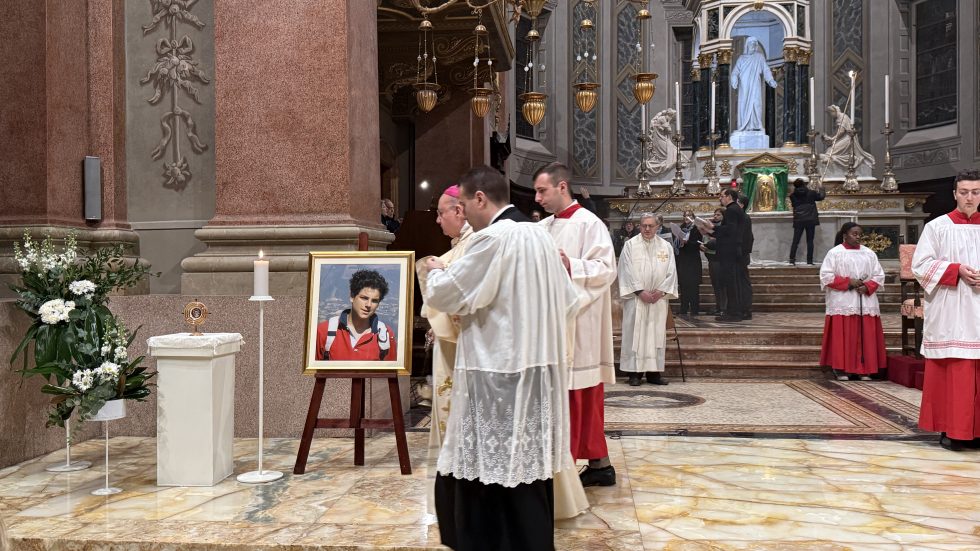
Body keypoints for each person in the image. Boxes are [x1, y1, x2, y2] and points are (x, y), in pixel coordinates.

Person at [423, 165, 581, 550]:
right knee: (526, 469)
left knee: (489, 466)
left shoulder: (492, 239)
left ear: (480, 199)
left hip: (496, 373)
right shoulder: (541, 236)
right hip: (537, 371)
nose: (463, 216)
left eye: (463, 206)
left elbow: (447, 294)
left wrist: (435, 270)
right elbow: (568, 301)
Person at [533, 162, 618, 487]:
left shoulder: (590, 224)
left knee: (580, 396)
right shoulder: (543, 227)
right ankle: (589, 464)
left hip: (580, 325)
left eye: (542, 191)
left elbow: (606, 268)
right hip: (551, 325)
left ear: (562, 187)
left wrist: (572, 265)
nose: (537, 198)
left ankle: (571, 470)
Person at [415, 185, 474, 513]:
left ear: (459, 211)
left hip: (462, 347)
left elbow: (461, 298)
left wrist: (436, 271)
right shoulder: (461, 245)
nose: (437, 220)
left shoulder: (474, 244)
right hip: (450, 343)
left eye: (441, 213)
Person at [912, 169, 980, 451]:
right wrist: (955, 270)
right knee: (954, 372)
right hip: (951, 308)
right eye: (964, 192)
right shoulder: (937, 227)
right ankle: (952, 430)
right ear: (954, 194)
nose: (969, 198)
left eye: (975, 192)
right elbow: (920, 266)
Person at [819, 222, 886, 381]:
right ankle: (841, 369)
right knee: (844, 337)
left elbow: (879, 275)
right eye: (854, 234)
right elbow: (826, 276)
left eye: (859, 234)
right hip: (843, 301)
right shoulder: (835, 253)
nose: (858, 237)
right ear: (845, 235)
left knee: (865, 337)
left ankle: (864, 369)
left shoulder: (869, 253)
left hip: (865, 300)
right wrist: (849, 282)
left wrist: (867, 286)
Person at [619, 213, 678, 386]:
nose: (646, 229)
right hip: (636, 299)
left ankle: (654, 374)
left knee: (655, 335)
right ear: (639, 225)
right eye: (644, 225)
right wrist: (639, 291)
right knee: (635, 336)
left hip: (658, 300)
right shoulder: (630, 245)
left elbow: (672, 271)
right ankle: (634, 374)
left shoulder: (665, 246)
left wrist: (661, 291)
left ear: (657, 227)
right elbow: (625, 269)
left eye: (650, 226)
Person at [315, 269, 397, 361]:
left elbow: (390, 369)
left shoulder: (385, 334)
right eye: (364, 298)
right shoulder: (324, 331)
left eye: (374, 301)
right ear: (352, 296)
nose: (368, 305)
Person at [731, 37, 778, 133]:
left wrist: (770, 80)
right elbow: (735, 72)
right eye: (751, 43)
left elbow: (766, 69)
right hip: (744, 86)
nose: (753, 45)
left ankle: (757, 124)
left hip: (755, 84)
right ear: (747, 45)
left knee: (756, 103)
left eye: (755, 43)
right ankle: (744, 125)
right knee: (744, 104)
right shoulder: (741, 59)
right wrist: (734, 79)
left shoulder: (759, 57)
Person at [714, 188, 745, 322]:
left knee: (730, 283)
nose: (720, 198)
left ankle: (734, 313)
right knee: (732, 282)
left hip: (729, 251)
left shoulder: (731, 210)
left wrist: (713, 227)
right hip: (733, 250)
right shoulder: (736, 209)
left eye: (722, 196)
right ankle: (734, 312)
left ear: (729, 197)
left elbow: (730, 230)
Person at [789, 179, 826, 265]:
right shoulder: (811, 193)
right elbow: (821, 197)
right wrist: (821, 189)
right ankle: (809, 261)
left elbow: (795, 205)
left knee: (795, 241)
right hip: (810, 219)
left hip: (799, 220)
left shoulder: (792, 196)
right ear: (804, 184)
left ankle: (792, 260)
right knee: (810, 241)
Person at [675, 210, 703, 316]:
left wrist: (688, 242)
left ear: (693, 217)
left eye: (689, 215)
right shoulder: (681, 228)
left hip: (693, 260)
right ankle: (684, 309)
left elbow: (699, 243)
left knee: (693, 287)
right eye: (685, 216)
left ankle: (695, 309)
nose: (687, 217)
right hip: (683, 260)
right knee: (684, 286)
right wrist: (678, 242)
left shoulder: (697, 228)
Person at [701, 208, 727, 315]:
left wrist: (709, 243)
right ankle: (719, 306)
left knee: (721, 285)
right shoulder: (713, 226)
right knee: (715, 284)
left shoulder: (723, 227)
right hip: (711, 258)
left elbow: (720, 242)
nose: (715, 216)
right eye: (715, 214)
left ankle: (723, 308)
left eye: (718, 215)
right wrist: (703, 245)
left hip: (719, 259)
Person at [736, 194, 754, 320]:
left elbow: (746, 238)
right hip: (741, 254)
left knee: (743, 283)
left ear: (742, 205)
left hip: (741, 254)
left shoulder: (743, 218)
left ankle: (746, 309)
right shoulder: (741, 217)